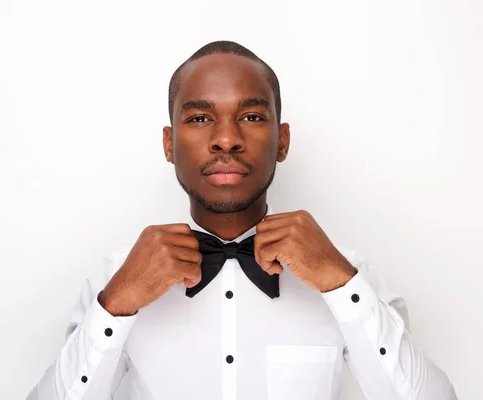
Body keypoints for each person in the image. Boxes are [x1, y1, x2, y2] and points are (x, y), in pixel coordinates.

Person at [27, 40, 457, 400]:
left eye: (251, 117)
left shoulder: (349, 275)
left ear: (282, 140)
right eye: (199, 119)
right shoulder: (115, 281)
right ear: (169, 143)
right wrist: (116, 305)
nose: (227, 139)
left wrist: (341, 285)